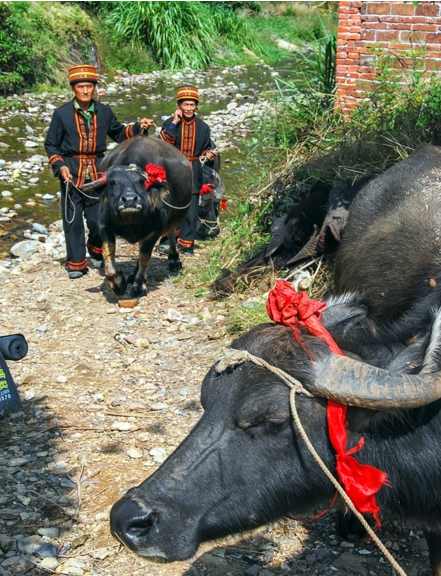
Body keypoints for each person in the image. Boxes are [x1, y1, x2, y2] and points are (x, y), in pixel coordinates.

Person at [44, 64, 154, 279]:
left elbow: (120, 134)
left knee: (97, 220)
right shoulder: (61, 114)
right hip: (71, 172)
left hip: (97, 171)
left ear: (95, 88)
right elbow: (51, 145)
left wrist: (139, 127)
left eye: (89, 86)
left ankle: (95, 248)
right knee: (72, 221)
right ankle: (76, 264)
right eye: (81, 87)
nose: (85, 91)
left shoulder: (103, 112)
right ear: (73, 89)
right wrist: (60, 166)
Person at [160, 86, 217, 255]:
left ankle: (186, 244)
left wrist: (209, 155)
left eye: (192, 105)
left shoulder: (203, 127)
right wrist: (175, 122)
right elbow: (164, 142)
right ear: (179, 105)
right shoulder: (170, 123)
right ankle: (166, 240)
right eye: (186, 105)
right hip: (173, 170)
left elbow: (205, 149)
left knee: (191, 209)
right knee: (170, 206)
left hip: (193, 171)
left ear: (196, 106)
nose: (189, 108)